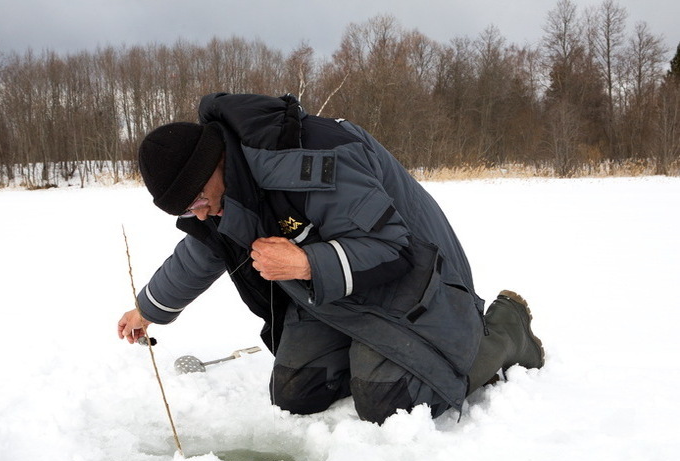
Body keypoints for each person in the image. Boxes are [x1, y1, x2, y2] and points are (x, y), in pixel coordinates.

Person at [117, 93, 544, 424]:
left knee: (389, 404)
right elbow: (202, 250)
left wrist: (305, 264)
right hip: (338, 292)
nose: (202, 215)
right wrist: (148, 309)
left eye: (196, 202)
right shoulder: (226, 191)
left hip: (417, 278)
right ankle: (367, 351)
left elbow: (393, 246)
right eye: (188, 211)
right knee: (295, 393)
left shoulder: (309, 161)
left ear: (213, 164)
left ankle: (506, 331)